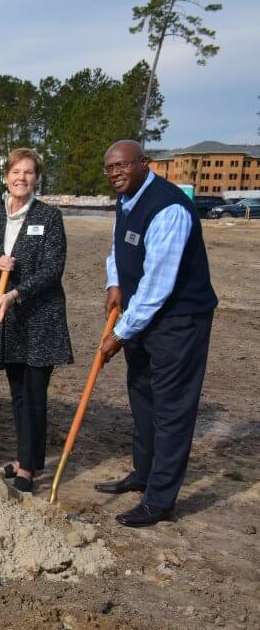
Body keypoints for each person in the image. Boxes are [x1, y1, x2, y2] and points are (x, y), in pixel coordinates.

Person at [95, 139, 217, 528]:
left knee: (171, 410)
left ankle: (160, 499)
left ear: (143, 164)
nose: (115, 174)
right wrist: (114, 283)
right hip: (143, 319)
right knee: (143, 398)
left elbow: (158, 284)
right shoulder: (127, 199)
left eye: (122, 166)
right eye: (109, 168)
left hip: (178, 321)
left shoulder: (169, 208)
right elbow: (119, 249)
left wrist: (121, 332)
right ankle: (143, 473)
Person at [0, 148, 73, 492]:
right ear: (6, 177)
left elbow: (52, 270)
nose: (21, 178)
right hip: (9, 319)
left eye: (29, 172)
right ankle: (22, 457)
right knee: (17, 394)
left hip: (39, 319)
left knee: (34, 394)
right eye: (16, 172)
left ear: (37, 178)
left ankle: (29, 469)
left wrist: (15, 293)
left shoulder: (49, 216)